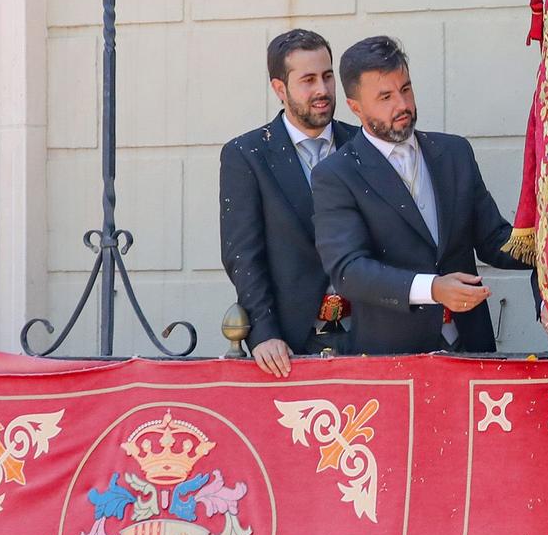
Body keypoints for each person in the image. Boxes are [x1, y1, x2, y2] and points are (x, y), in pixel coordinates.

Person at [312, 36, 529, 355]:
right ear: (355, 108)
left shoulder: (454, 152)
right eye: (385, 97)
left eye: (406, 89)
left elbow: (492, 239)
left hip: (473, 346)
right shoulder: (336, 175)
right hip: (393, 357)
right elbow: (350, 271)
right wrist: (433, 289)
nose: (401, 105)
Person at [219, 29, 359, 376]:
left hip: (368, 336)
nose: (322, 90)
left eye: (328, 77)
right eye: (308, 80)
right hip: (290, 343)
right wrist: (264, 334)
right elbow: (243, 255)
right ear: (279, 88)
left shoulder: (362, 145)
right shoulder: (246, 155)